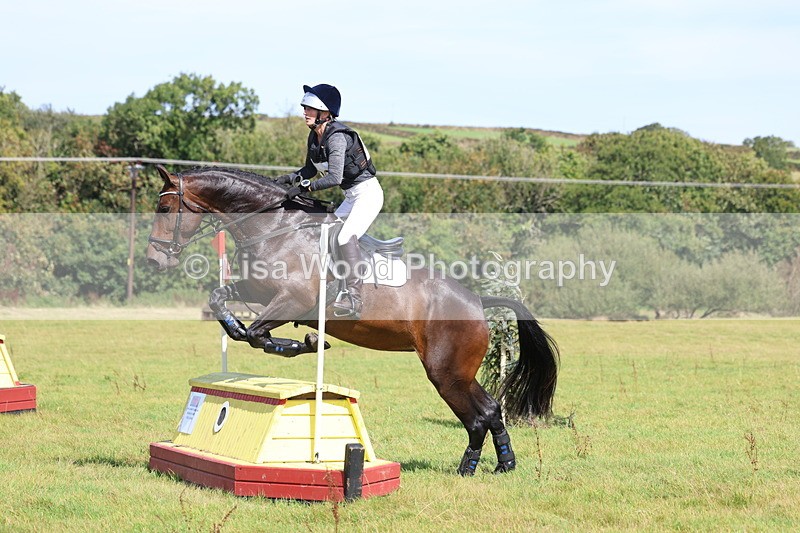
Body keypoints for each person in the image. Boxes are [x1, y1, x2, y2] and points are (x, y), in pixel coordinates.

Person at [277, 83, 384, 317]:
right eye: (305, 107)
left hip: (368, 194)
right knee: (324, 234)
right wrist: (287, 179)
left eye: (310, 108)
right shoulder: (315, 138)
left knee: (345, 236)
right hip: (352, 196)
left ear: (325, 112)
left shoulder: (337, 138)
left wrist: (305, 188)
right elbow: (308, 169)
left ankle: (355, 298)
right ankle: (330, 286)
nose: (305, 111)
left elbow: (335, 177)